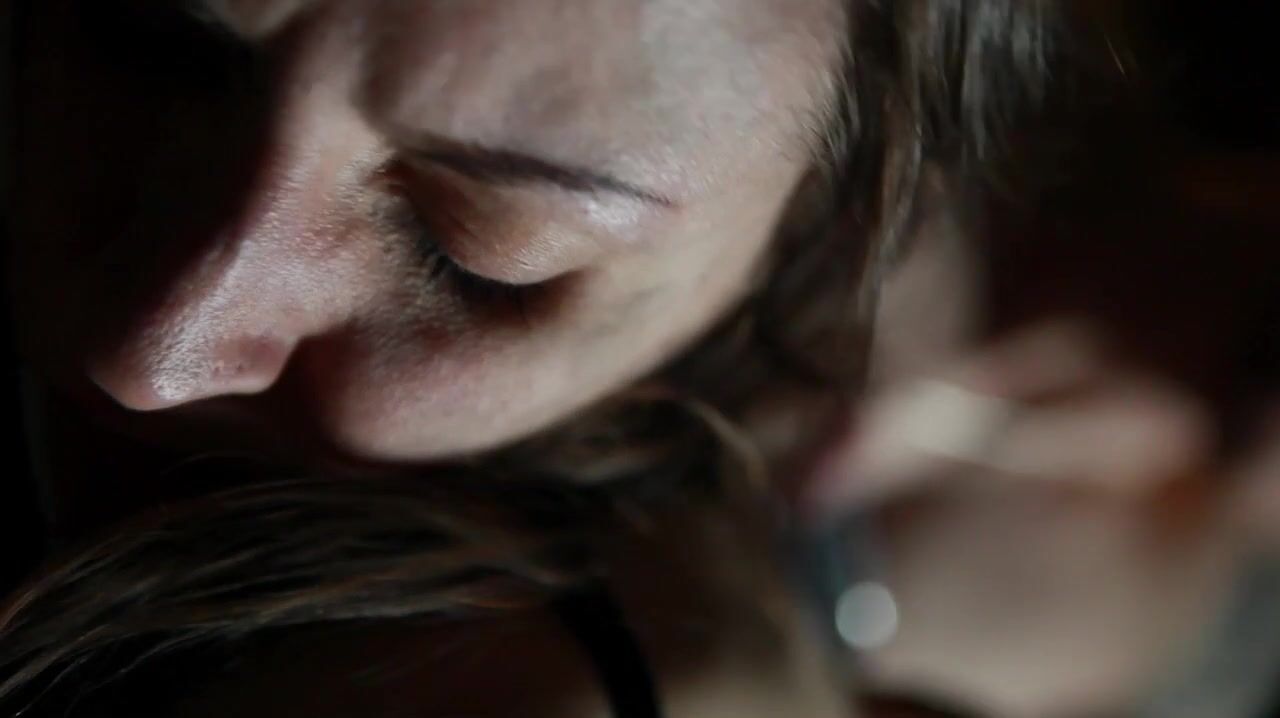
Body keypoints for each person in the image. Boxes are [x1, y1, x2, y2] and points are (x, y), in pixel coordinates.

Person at [2, 0, 1277, 715]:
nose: (153, 354)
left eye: (478, 257)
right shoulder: (1062, 94)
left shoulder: (1111, 608)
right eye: (148, 42)